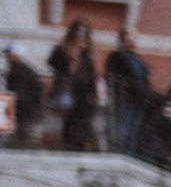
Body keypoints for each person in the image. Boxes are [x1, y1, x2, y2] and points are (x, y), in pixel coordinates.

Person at [48, 20, 98, 152]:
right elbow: (52, 63)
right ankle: (69, 148)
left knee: (83, 127)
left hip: (84, 96)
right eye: (79, 31)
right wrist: (68, 57)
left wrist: (94, 94)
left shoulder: (87, 54)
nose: (81, 35)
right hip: (69, 92)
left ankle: (79, 148)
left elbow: (92, 76)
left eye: (84, 32)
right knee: (70, 125)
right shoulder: (63, 49)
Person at [104, 29, 152, 157]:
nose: (133, 42)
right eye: (130, 40)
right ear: (123, 41)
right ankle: (119, 154)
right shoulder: (116, 57)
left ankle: (130, 154)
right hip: (124, 100)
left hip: (138, 100)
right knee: (122, 129)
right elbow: (113, 77)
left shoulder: (137, 59)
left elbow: (143, 78)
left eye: (133, 40)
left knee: (134, 131)